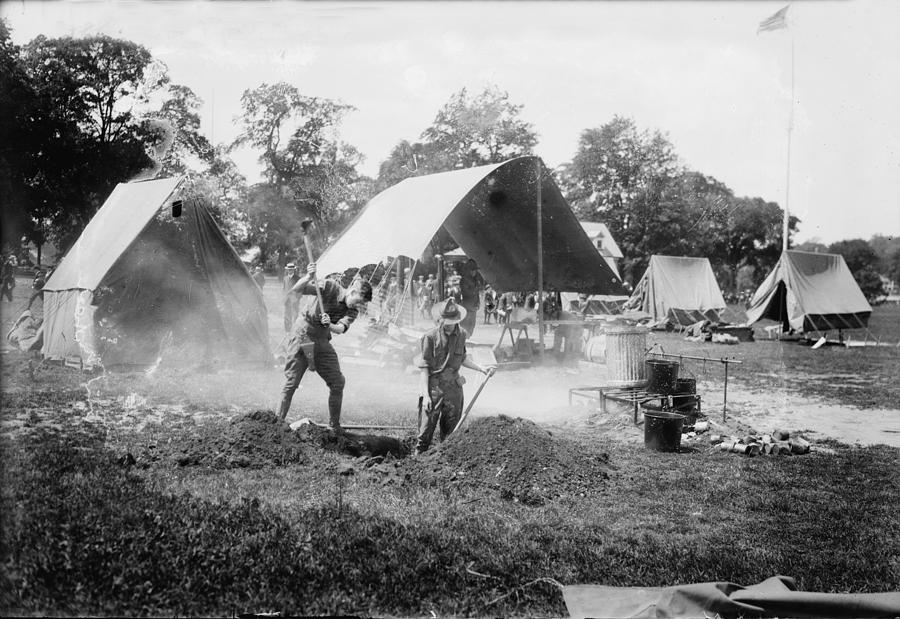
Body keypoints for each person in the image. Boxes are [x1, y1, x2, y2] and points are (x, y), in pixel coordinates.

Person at [278, 262, 373, 430]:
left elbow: (340, 329)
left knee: (338, 382)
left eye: (361, 304)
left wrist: (329, 324)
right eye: (358, 301)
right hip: (303, 335)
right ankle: (277, 424)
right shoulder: (329, 286)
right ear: (352, 292)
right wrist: (307, 276)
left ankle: (334, 426)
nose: (358, 307)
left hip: (322, 340)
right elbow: (297, 290)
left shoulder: (353, 311)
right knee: (292, 382)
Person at [415, 299, 494, 454]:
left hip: (454, 389)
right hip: (434, 388)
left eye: (452, 321)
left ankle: (445, 463)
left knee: (451, 433)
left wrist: (481, 368)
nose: (449, 324)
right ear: (440, 318)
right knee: (425, 432)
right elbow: (424, 368)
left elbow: (463, 358)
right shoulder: (430, 337)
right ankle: (417, 461)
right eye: (446, 321)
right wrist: (426, 395)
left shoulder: (462, 335)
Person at [459, 259, 484, 335]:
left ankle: (465, 338)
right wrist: (476, 289)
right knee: (465, 325)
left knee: (472, 325)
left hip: (473, 306)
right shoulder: (464, 280)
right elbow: (466, 292)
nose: (474, 272)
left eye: (475, 270)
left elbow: (476, 293)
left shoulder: (475, 280)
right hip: (467, 306)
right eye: (472, 270)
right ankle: (462, 340)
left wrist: (478, 302)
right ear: (468, 270)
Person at [282, 263, 300, 332]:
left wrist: (297, 298)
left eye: (291, 269)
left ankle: (295, 330)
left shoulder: (298, 278)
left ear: (294, 270)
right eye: (289, 269)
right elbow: (284, 289)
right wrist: (284, 297)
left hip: (294, 299)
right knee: (287, 315)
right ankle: (287, 330)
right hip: (287, 300)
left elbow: (300, 290)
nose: (290, 271)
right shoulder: (285, 278)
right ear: (287, 270)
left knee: (295, 315)